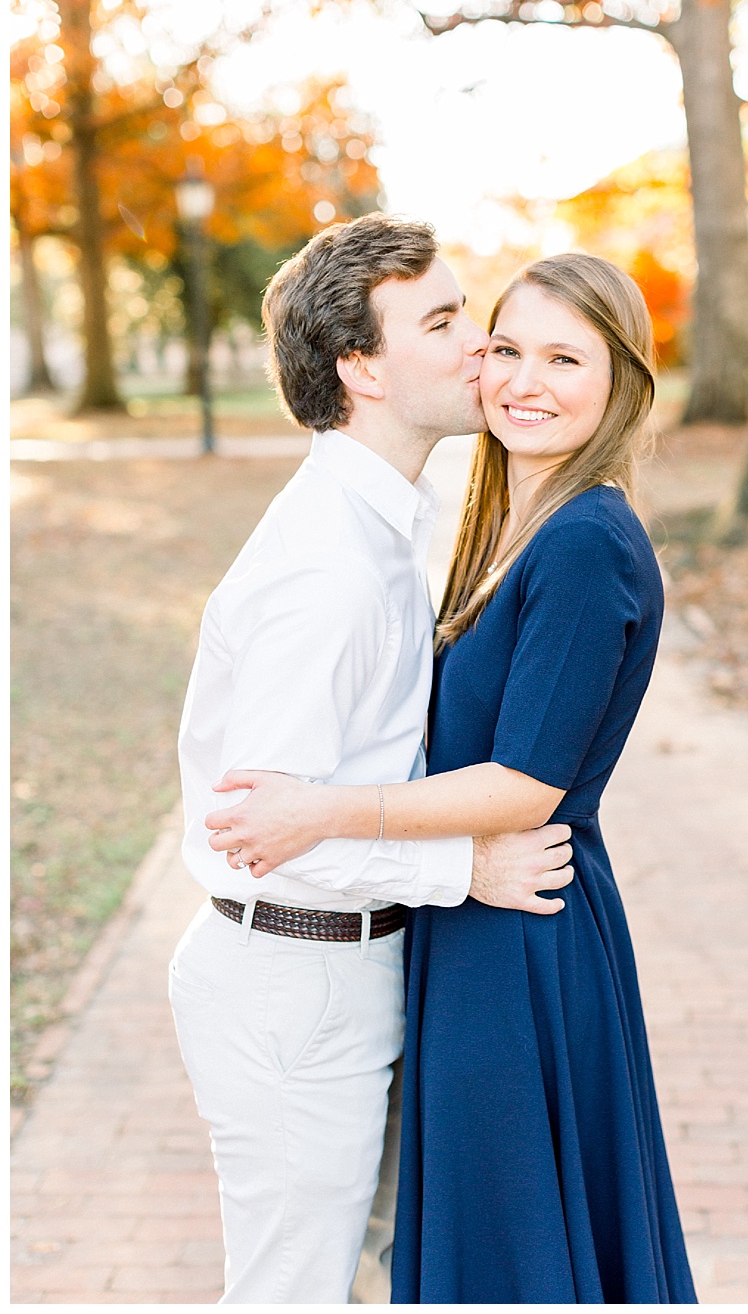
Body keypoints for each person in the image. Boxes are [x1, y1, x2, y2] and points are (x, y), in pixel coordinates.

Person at [204, 253, 696, 1302]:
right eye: (503, 344)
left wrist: (331, 809)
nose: (515, 373)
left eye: (565, 357)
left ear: (621, 382)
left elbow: (524, 787)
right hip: (467, 921)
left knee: (509, 1251)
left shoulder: (585, 541)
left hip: (520, 928)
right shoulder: (489, 526)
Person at [167, 215, 579, 1303]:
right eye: (443, 322)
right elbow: (263, 834)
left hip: (358, 967)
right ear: (362, 367)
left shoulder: (390, 520)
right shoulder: (329, 571)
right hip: (290, 979)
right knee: (291, 1291)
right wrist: (463, 870)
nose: (479, 347)